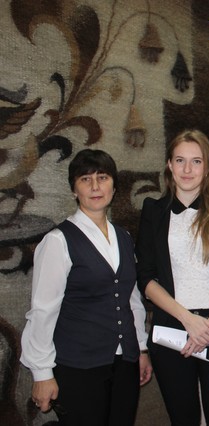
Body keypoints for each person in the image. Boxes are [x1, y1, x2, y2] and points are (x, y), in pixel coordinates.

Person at [20, 149, 152, 425]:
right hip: (78, 365)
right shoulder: (58, 241)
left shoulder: (124, 238)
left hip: (125, 362)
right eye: (85, 179)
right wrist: (42, 373)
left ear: (113, 187)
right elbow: (43, 311)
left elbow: (132, 299)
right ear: (74, 190)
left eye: (102, 178)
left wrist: (140, 348)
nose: (95, 186)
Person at [135, 130, 209, 425]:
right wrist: (188, 320)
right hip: (171, 330)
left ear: (208, 167)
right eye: (180, 160)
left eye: (196, 161)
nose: (187, 169)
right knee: (183, 418)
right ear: (169, 165)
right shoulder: (153, 211)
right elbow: (146, 279)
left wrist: (208, 326)